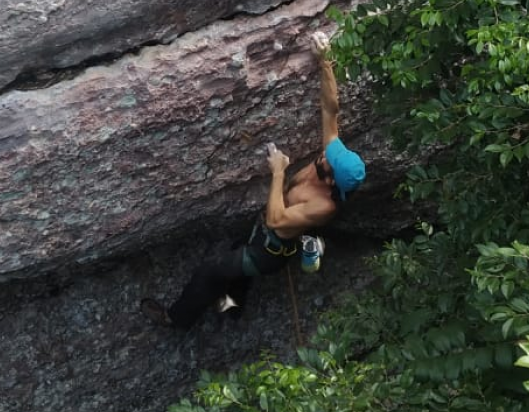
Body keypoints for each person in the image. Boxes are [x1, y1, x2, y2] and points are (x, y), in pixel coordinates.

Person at [143, 31, 366, 330]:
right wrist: (325, 60)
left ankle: (176, 319)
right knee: (235, 266)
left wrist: (278, 172)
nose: (326, 155)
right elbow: (330, 107)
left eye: (330, 162)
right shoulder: (330, 160)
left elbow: (276, 220)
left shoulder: (323, 206)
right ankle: (231, 310)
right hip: (261, 235)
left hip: (268, 252)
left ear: (332, 180)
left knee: (210, 272)